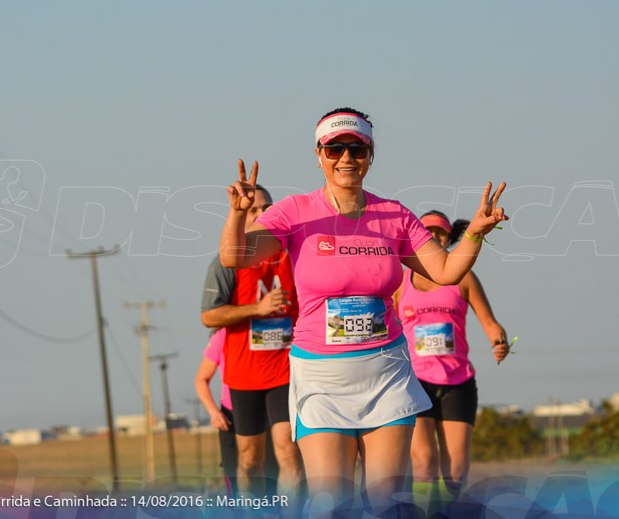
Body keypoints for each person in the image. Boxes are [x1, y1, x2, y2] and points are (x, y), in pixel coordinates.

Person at [219, 107, 508, 513]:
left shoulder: (396, 216)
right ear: (318, 154)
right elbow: (237, 256)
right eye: (334, 148)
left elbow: (446, 270)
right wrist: (236, 213)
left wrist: (475, 232)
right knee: (330, 503)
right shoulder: (295, 211)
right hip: (322, 380)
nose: (346, 159)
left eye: (357, 149)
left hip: (385, 374)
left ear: (370, 156)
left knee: (385, 504)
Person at [395, 210, 511, 509]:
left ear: (449, 238)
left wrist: (499, 342)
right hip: (413, 382)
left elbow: (491, 324)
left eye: (441, 233)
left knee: (455, 473)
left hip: (457, 382)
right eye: (427, 230)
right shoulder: (400, 280)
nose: (434, 236)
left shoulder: (464, 278)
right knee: (424, 463)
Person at [201, 186, 303, 497]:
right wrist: (257, 309)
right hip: (244, 377)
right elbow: (209, 316)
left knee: (289, 455)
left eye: (267, 208)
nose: (262, 214)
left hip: (285, 373)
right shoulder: (225, 262)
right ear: (243, 218)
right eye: (254, 210)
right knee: (249, 460)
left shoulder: (292, 255)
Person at [193, 328, 238, 494]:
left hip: (269, 411)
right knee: (234, 474)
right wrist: (214, 412)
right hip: (231, 417)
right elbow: (200, 380)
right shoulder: (222, 336)